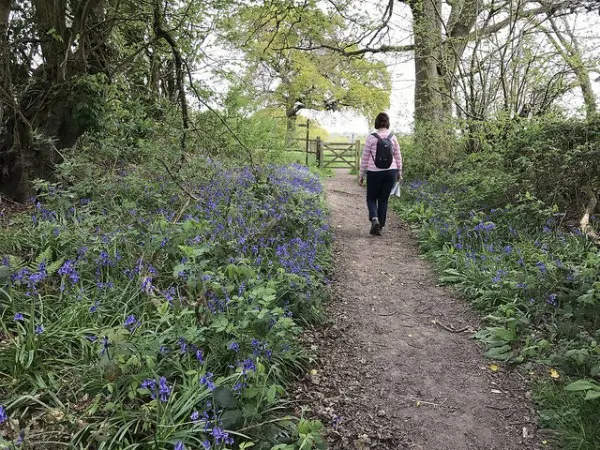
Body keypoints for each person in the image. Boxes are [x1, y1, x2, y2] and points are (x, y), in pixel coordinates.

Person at [358, 112, 403, 236]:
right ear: (387, 123)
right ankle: (380, 225)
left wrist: (361, 174)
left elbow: (365, 157)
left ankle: (374, 219)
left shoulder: (371, 137)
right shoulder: (393, 137)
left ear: (377, 123)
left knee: (371, 198)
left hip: (374, 173)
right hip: (391, 172)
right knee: (383, 199)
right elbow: (398, 156)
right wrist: (399, 172)